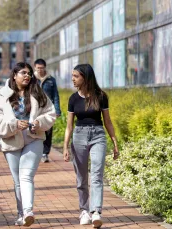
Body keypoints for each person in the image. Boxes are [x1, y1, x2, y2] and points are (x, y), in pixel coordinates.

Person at [0, 62, 56, 227]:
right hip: (11, 139)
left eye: (29, 73)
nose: (27, 76)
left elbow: (51, 113)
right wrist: (13, 125)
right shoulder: (2, 94)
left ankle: (28, 211)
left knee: (26, 176)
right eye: (23, 73)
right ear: (14, 75)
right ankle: (21, 214)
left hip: (33, 138)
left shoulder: (37, 92)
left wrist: (39, 122)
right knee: (18, 180)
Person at [62, 64, 119, 228]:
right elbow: (69, 126)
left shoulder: (101, 96)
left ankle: (96, 212)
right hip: (79, 136)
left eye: (76, 76)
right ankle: (84, 211)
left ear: (85, 78)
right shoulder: (73, 99)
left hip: (98, 136)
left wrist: (115, 142)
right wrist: (65, 147)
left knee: (96, 175)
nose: (73, 79)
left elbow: (107, 121)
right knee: (81, 178)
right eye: (72, 76)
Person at [34, 59, 61, 163]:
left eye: (42, 68)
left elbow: (55, 95)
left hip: (48, 110)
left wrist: (57, 110)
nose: (40, 70)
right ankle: (37, 152)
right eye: (38, 68)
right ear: (35, 68)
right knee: (36, 130)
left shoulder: (51, 80)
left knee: (48, 131)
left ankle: (45, 153)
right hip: (35, 109)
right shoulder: (32, 79)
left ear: (45, 67)